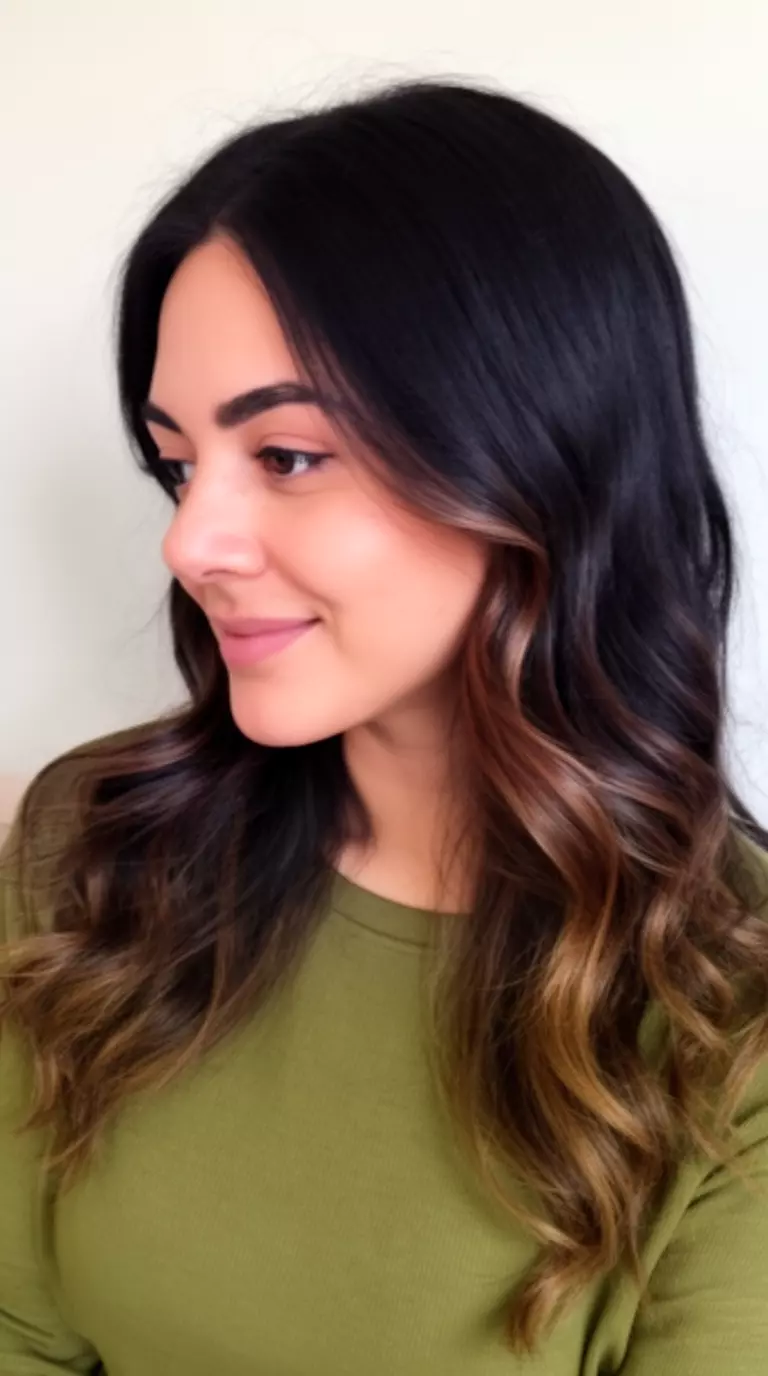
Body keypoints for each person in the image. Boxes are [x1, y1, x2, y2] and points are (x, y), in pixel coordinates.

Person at [1, 76, 768, 1376]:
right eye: (177, 463)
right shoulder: (99, 841)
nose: (191, 542)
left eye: (288, 457)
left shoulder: (725, 1013)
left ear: (534, 460)